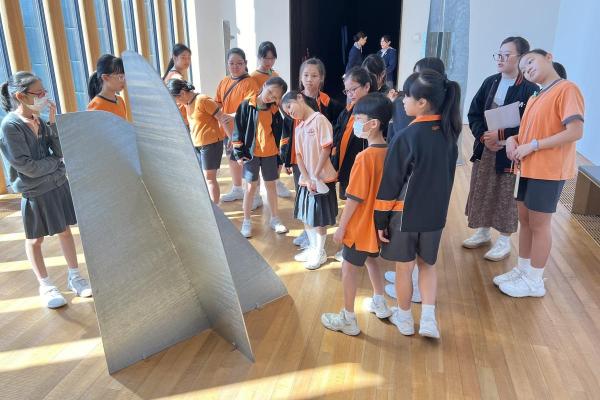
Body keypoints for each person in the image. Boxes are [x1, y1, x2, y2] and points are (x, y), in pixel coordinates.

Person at [375, 69, 461, 339]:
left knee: (404, 268)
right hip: (435, 216)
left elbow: (390, 185)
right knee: (428, 266)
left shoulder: (406, 137)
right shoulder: (449, 136)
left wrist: (380, 220)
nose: (402, 100)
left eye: (407, 96)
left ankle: (404, 317)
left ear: (422, 102)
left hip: (405, 217)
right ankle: (428, 320)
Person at [0, 71, 92, 309]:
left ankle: (75, 277)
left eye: (44, 91)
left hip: (57, 184)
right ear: (21, 96)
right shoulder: (10, 126)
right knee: (35, 239)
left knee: (65, 231)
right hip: (35, 190)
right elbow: (27, 168)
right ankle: (46, 285)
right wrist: (55, 164)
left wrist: (52, 123)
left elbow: (60, 151)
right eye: (38, 93)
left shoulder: (40, 120)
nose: (43, 96)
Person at [499, 49, 584, 297]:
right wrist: (514, 139)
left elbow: (575, 131)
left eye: (530, 62)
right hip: (528, 166)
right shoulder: (536, 95)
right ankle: (523, 270)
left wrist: (534, 145)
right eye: (523, 69)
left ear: (548, 56)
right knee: (525, 220)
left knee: (539, 224)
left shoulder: (567, 89)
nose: (527, 70)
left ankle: (535, 281)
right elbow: (531, 131)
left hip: (549, 170)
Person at [321, 93, 393, 336]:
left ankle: (348, 318)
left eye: (359, 119)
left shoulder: (364, 157)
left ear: (373, 124)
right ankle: (380, 301)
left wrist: (341, 227)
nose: (355, 124)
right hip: (377, 224)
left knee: (349, 269)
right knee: (372, 260)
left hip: (360, 225)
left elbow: (354, 198)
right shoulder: (389, 151)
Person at [463, 37, 538, 262]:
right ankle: (483, 230)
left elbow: (531, 125)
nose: (500, 59)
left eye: (507, 55)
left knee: (505, 194)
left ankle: (504, 240)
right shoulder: (490, 82)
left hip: (512, 152)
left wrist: (502, 135)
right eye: (499, 54)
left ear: (521, 58)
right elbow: (474, 113)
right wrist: (483, 136)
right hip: (486, 147)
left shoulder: (530, 89)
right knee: (482, 187)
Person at [280, 58, 343, 250]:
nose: (309, 79)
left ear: (321, 78)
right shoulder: (292, 102)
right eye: (306, 75)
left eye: (314, 75)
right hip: (299, 159)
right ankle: (307, 232)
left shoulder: (329, 103)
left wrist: (333, 151)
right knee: (304, 195)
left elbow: (337, 130)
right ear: (300, 77)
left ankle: (317, 239)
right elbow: (287, 132)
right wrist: (286, 159)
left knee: (318, 198)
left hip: (320, 161)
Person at [281, 91, 338, 269]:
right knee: (306, 217)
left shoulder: (320, 120)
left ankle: (320, 252)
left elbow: (326, 149)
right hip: (306, 181)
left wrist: (315, 175)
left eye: (289, 107)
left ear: (300, 98)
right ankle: (313, 248)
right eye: (287, 112)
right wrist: (307, 178)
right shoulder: (299, 127)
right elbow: (298, 156)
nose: (290, 113)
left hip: (322, 179)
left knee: (319, 219)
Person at [232, 77, 289, 238]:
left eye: (275, 97)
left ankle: (275, 219)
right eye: (269, 92)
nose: (270, 97)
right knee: (250, 188)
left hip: (270, 153)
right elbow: (238, 130)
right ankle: (246, 221)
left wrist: (280, 158)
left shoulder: (275, 110)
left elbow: (281, 134)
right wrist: (239, 153)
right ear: (264, 86)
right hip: (251, 154)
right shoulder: (246, 105)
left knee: (271, 186)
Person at [331, 67, 375, 262]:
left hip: (362, 168)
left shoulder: (371, 111)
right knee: (350, 204)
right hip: (347, 167)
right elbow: (339, 132)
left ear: (367, 86)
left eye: (353, 89)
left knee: (358, 207)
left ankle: (355, 246)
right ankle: (352, 244)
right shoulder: (350, 108)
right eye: (347, 91)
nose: (350, 94)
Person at [167, 79, 231, 203]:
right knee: (204, 178)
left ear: (182, 93)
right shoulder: (187, 103)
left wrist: (232, 139)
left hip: (211, 144)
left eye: (176, 99)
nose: (177, 103)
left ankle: (215, 208)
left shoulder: (203, 100)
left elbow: (222, 119)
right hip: (198, 144)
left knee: (209, 178)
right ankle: (210, 205)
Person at [216, 48, 261, 209]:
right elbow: (218, 102)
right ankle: (237, 189)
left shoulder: (250, 83)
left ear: (245, 63)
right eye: (231, 63)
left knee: (249, 163)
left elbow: (250, 107)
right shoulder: (224, 82)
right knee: (232, 160)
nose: (235, 66)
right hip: (228, 130)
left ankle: (255, 195)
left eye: (239, 63)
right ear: (227, 64)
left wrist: (231, 116)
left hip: (245, 132)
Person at [250, 41, 292, 199]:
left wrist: (287, 114)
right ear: (259, 57)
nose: (269, 62)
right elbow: (253, 100)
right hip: (259, 119)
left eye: (272, 58)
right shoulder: (253, 77)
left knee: (277, 150)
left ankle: (276, 181)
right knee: (257, 153)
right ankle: (256, 192)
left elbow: (279, 99)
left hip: (274, 119)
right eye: (266, 58)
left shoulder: (275, 75)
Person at [388, 57, 446, 144]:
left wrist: (394, 103)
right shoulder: (446, 109)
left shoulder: (401, 105)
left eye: (416, 75)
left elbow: (396, 140)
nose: (412, 79)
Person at [87, 54, 127, 120]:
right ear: (105, 77)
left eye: (125, 76)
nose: (124, 81)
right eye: (120, 77)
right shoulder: (96, 105)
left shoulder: (120, 100)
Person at [162, 44, 192, 127]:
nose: (187, 61)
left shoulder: (170, 74)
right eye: (183, 57)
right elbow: (187, 100)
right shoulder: (176, 77)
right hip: (181, 121)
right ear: (175, 58)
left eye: (189, 58)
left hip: (175, 120)